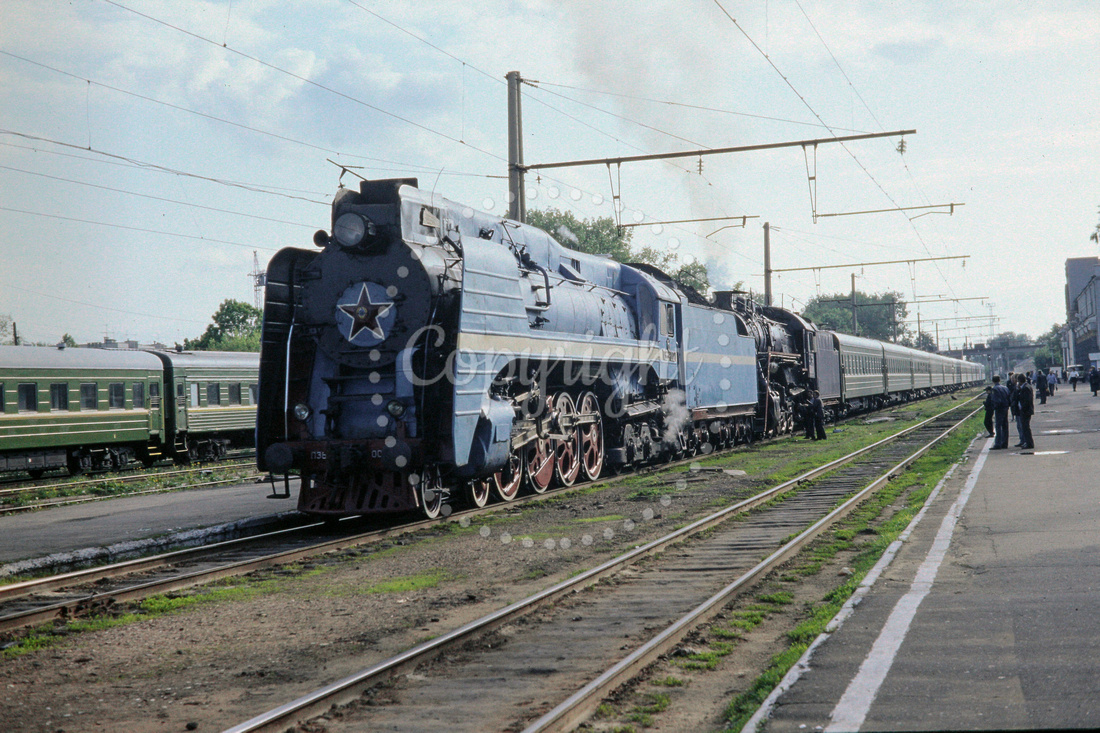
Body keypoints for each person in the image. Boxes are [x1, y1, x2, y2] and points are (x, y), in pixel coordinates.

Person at [1013, 373, 1034, 449]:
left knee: (1025, 428)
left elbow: (1026, 400)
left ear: (1019, 381)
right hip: (1026, 410)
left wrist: (1022, 408)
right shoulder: (1026, 387)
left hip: (1025, 411)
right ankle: (1027, 443)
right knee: (1025, 428)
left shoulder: (1025, 388)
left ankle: (1029, 443)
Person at [990, 375, 1011, 449]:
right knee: (1005, 426)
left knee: (998, 426)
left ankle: (998, 444)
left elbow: (996, 400)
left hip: (999, 409)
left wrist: (994, 407)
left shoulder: (994, 389)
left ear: (993, 381)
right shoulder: (1005, 388)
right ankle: (1005, 443)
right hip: (1005, 407)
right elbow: (1009, 397)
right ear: (999, 380)